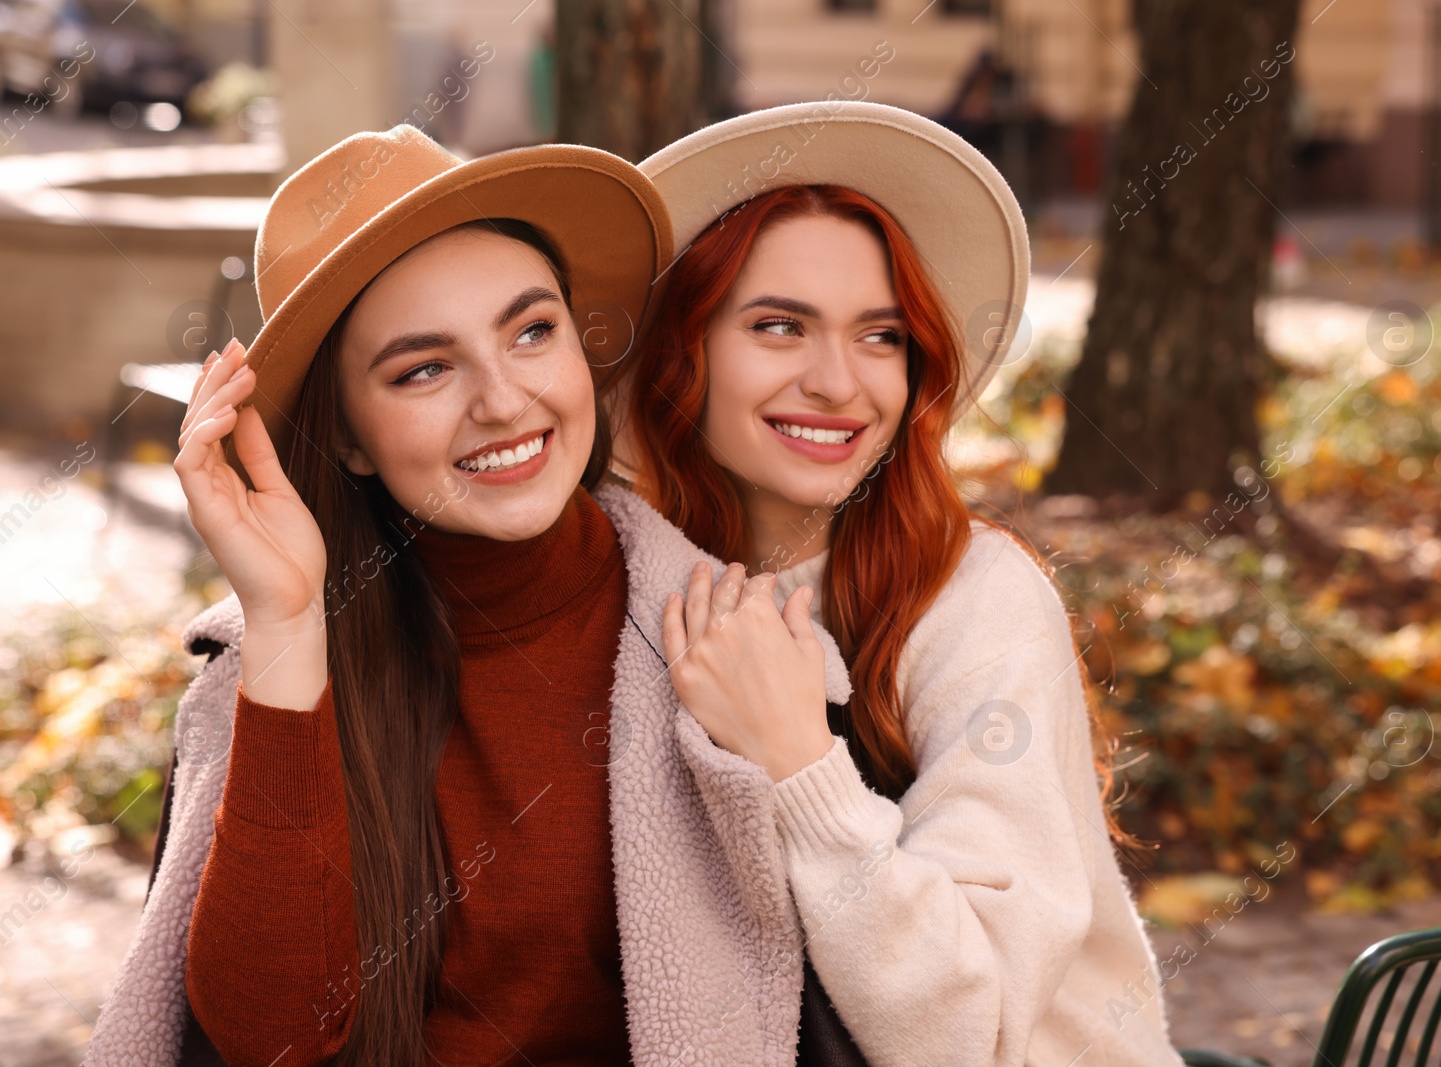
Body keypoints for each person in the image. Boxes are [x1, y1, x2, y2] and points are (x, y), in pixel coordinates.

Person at [85, 123, 858, 1067]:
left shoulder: (728, 637)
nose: (502, 400)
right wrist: (287, 620)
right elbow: (268, 1041)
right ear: (351, 442)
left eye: (533, 331)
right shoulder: (275, 675)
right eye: (425, 368)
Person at [614, 101, 1187, 1066]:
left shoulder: (978, 602)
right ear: (685, 350)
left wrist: (802, 763)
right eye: (780, 326)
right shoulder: (634, 580)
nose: (840, 382)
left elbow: (964, 1034)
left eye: (880, 336)